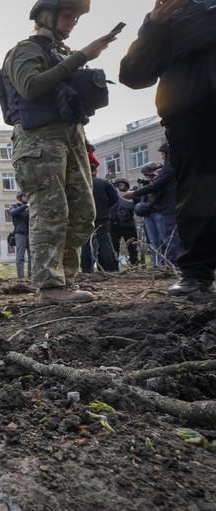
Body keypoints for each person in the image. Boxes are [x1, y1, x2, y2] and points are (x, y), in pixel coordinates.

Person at [0, 0, 121, 305]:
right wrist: (81, 57)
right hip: (39, 140)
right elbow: (30, 87)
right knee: (51, 212)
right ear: (45, 16)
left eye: (76, 18)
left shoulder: (59, 54)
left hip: (70, 136)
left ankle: (65, 281)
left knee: (82, 213)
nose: (73, 23)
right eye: (69, 16)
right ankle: (50, 286)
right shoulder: (25, 50)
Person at [119, 0, 216, 296]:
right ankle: (197, 275)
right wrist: (155, 25)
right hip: (190, 117)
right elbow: (133, 74)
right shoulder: (169, 18)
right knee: (195, 195)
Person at [122, 157, 177, 265]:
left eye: (150, 174)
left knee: (166, 240)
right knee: (153, 242)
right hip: (149, 215)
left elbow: (157, 191)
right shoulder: (146, 184)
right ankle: (156, 264)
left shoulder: (164, 180)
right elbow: (143, 198)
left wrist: (138, 192)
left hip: (161, 213)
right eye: (146, 175)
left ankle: (170, 263)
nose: (148, 177)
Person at [81, 162, 119, 273]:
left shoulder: (81, 184)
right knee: (105, 242)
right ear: (95, 171)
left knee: (86, 243)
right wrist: (105, 207)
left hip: (85, 217)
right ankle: (108, 267)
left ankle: (86, 267)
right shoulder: (104, 183)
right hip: (102, 216)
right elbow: (115, 198)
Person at [109, 178, 139, 267]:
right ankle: (114, 267)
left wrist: (135, 194)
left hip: (128, 225)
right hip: (114, 226)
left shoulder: (131, 195)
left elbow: (137, 204)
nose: (119, 187)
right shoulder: (113, 196)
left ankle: (135, 265)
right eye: (117, 185)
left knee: (132, 247)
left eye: (121, 185)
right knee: (114, 248)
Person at [9, 192, 32, 279]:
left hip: (30, 233)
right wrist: (25, 206)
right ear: (20, 198)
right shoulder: (14, 207)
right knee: (20, 256)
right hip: (20, 233)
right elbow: (14, 213)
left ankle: (31, 275)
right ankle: (21, 277)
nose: (27, 197)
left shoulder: (30, 207)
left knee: (32, 256)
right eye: (25, 196)